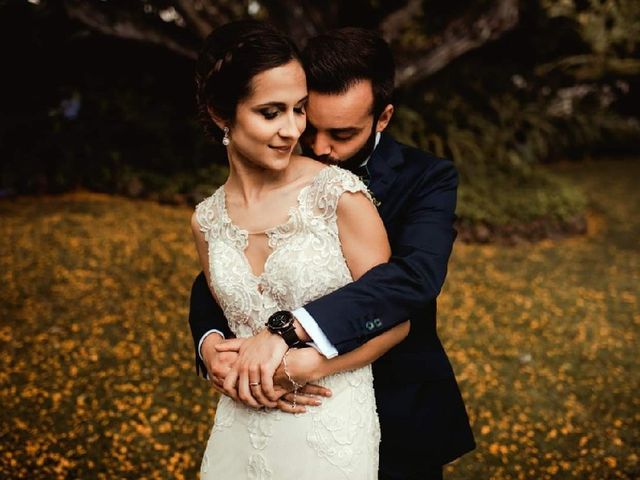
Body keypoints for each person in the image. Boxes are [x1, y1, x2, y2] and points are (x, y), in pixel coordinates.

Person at [190, 26, 476, 479]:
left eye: (341, 134)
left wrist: (290, 335)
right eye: (309, 120)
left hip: (394, 399)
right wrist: (208, 344)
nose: (317, 147)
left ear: (382, 118)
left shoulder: (425, 178)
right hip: (264, 414)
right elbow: (235, 274)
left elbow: (411, 280)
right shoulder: (261, 179)